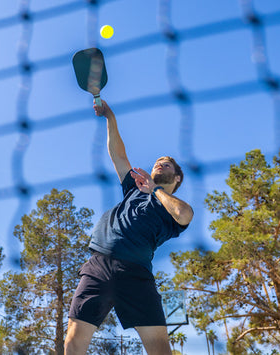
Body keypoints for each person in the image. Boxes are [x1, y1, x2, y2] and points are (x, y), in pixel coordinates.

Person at [64, 100, 194, 355]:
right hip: (98, 266)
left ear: (177, 178)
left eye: (167, 164)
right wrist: (110, 117)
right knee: (73, 342)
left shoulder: (171, 207)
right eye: (158, 161)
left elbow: (185, 214)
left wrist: (155, 190)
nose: (161, 163)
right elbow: (118, 155)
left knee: (159, 349)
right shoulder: (132, 189)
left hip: (136, 274)